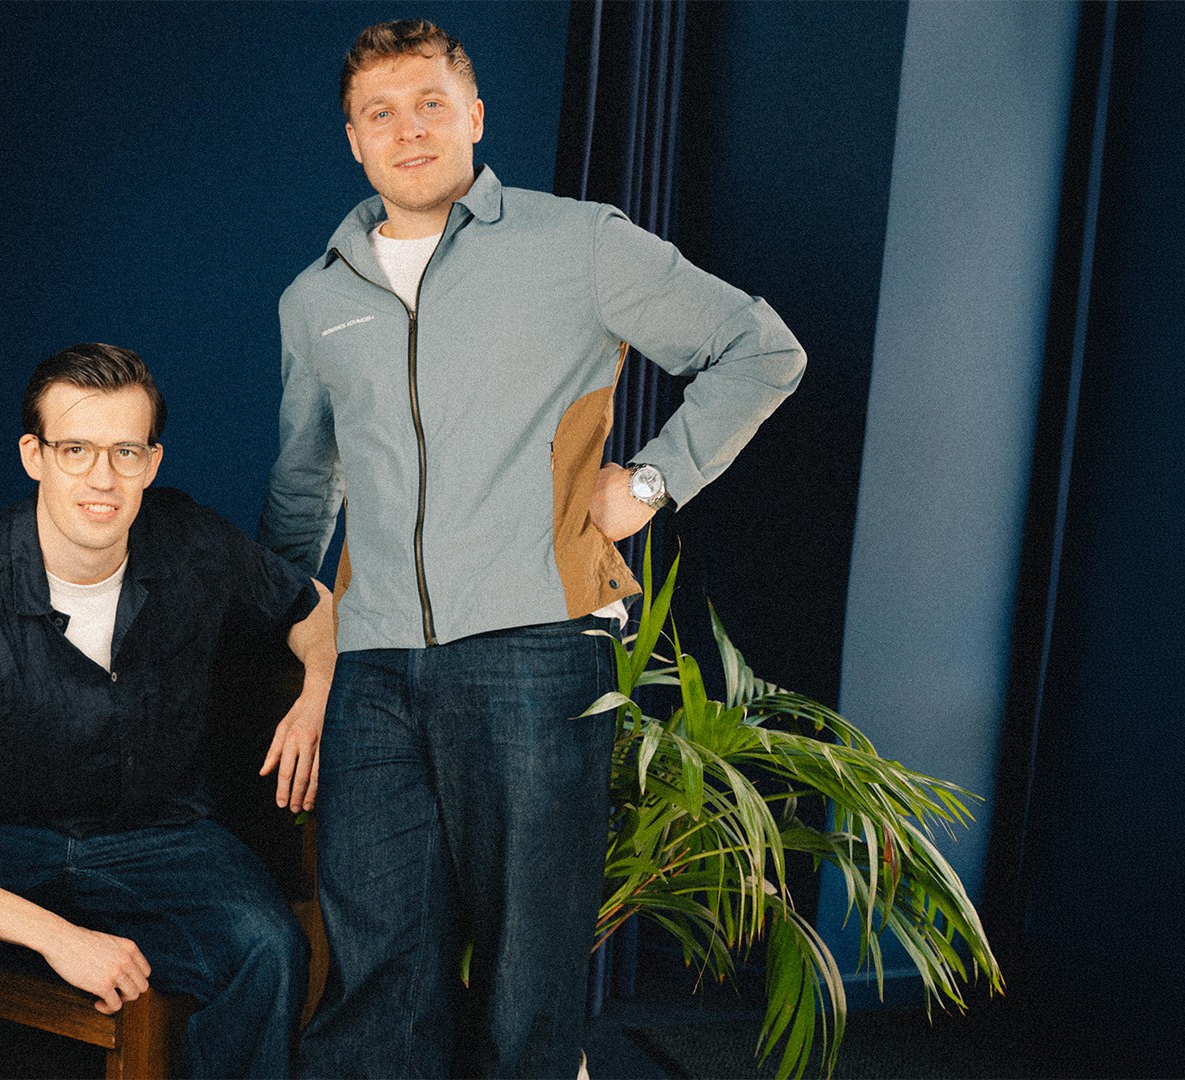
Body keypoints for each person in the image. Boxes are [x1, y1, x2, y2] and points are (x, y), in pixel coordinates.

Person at [259, 21, 807, 1078]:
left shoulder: (579, 244)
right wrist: (300, 639)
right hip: (372, 669)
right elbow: (299, 488)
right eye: (381, 113)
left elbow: (759, 348)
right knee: (378, 971)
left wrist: (652, 481)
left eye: (430, 103)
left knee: (527, 978)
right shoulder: (315, 298)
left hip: (536, 651)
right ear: (354, 142)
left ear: (474, 116)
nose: (408, 129)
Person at [0, 343, 337, 1078]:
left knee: (268, 948)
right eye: (76, 448)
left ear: (152, 462)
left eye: (125, 451)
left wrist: (314, 697)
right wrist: (57, 936)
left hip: (162, 837)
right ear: (34, 455)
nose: (102, 477)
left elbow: (313, 607)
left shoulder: (191, 541)